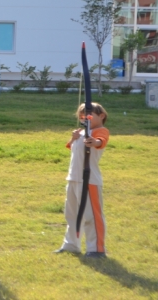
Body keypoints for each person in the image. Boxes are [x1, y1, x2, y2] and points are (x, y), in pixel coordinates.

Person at [55, 102, 109, 258]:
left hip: (89, 180)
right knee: (71, 213)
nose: (85, 118)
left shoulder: (100, 131)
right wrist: (73, 138)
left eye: (89, 115)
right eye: (82, 115)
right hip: (73, 178)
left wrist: (94, 141)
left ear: (101, 116)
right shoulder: (80, 131)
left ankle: (96, 249)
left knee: (91, 215)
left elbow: (100, 142)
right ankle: (72, 244)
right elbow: (71, 147)